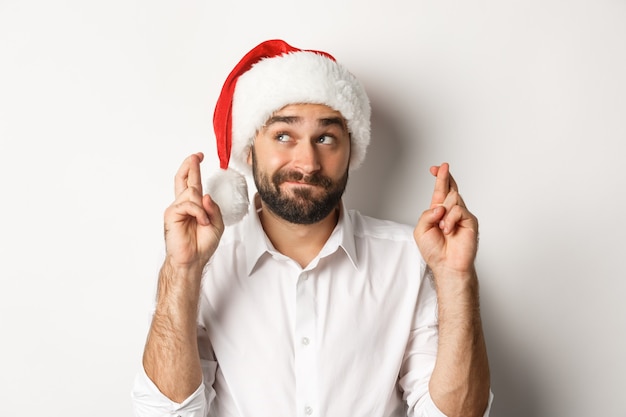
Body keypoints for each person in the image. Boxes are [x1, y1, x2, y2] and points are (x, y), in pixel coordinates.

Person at [131, 39, 492, 417]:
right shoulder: (202, 260)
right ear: (250, 149)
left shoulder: (411, 257)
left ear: (351, 151)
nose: (307, 161)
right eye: (283, 135)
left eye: (325, 138)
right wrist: (184, 270)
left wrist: (456, 278)